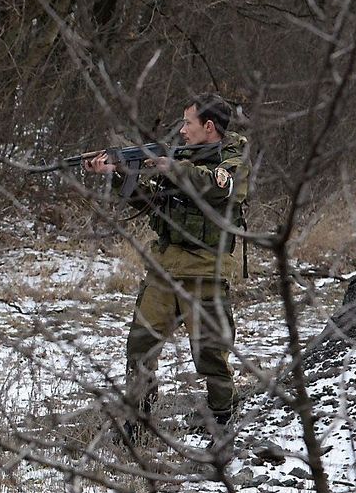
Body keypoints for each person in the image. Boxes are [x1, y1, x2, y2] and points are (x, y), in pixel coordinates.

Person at [82, 93, 250, 440]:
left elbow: (217, 189)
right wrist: (118, 174)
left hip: (206, 269)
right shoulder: (180, 158)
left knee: (209, 353)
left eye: (188, 123)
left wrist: (170, 166)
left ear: (208, 127)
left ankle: (223, 414)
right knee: (140, 346)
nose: (183, 130)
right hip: (164, 267)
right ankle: (139, 420)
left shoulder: (232, 160)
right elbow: (147, 203)